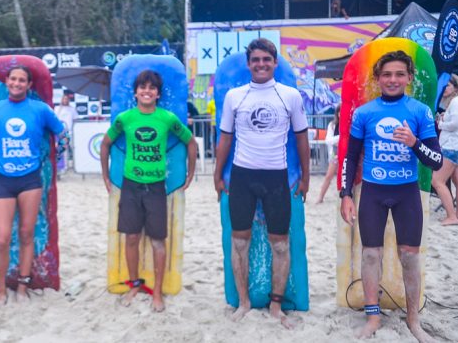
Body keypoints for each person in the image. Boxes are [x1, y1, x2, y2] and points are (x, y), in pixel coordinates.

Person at [339, 51, 442, 341]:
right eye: (387, 74)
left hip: (406, 192)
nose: (393, 79)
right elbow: (351, 156)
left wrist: (414, 142)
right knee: (371, 255)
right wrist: (346, 194)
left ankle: (413, 320)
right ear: (378, 78)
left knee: (409, 257)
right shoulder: (365, 113)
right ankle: (372, 317)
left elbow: (434, 161)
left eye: (399, 74)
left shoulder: (419, 111)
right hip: (373, 191)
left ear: (409, 78)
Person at [213, 38, 310, 328]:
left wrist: (305, 177)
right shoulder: (235, 96)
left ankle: (276, 305)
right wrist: (218, 175)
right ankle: (243, 302)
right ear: (248, 64)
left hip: (277, 178)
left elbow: (302, 138)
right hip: (242, 176)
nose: (261, 64)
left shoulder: (290, 95)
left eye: (266, 59)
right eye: (255, 60)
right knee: (239, 242)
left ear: (275, 62)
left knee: (280, 245)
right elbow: (225, 139)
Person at [100, 70, 197, 312]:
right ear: (135, 92)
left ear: (157, 94)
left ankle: (157, 293)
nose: (147, 91)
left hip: (156, 187)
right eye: (142, 87)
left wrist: (190, 174)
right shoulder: (125, 118)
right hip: (131, 186)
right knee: (131, 237)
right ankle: (134, 284)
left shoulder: (166, 118)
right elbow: (106, 143)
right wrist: (105, 175)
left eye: (152, 88)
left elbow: (191, 142)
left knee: (157, 241)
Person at [0, 65, 67, 303]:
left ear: (29, 85)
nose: (16, 83)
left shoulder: (39, 109)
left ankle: (23, 287)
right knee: (2, 238)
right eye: (13, 79)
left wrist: (55, 160)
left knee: (26, 234)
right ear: (6, 81)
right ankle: (2, 289)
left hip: (31, 180)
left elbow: (62, 133)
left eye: (22, 80)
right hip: (3, 179)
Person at [431, 74, 458, 226]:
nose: (444, 88)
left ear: (455, 87)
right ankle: (456, 215)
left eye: (448, 85)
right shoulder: (453, 102)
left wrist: (441, 123)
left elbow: (455, 124)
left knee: (437, 180)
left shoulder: (455, 101)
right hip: (455, 145)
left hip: (450, 146)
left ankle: (451, 216)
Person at [316, 104, 341, 203]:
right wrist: (340, 137)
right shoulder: (332, 125)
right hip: (335, 154)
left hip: (347, 155)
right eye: (339, 112)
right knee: (329, 176)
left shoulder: (350, 124)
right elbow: (328, 140)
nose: (341, 114)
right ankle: (320, 197)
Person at [55, 94, 78, 172]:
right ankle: (64, 167)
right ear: (61, 99)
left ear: (69, 100)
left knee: (74, 149)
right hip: (61, 133)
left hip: (71, 132)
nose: (65, 100)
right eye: (64, 99)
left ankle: (75, 166)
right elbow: (55, 120)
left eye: (67, 99)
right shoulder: (57, 108)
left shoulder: (72, 109)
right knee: (63, 150)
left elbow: (75, 120)